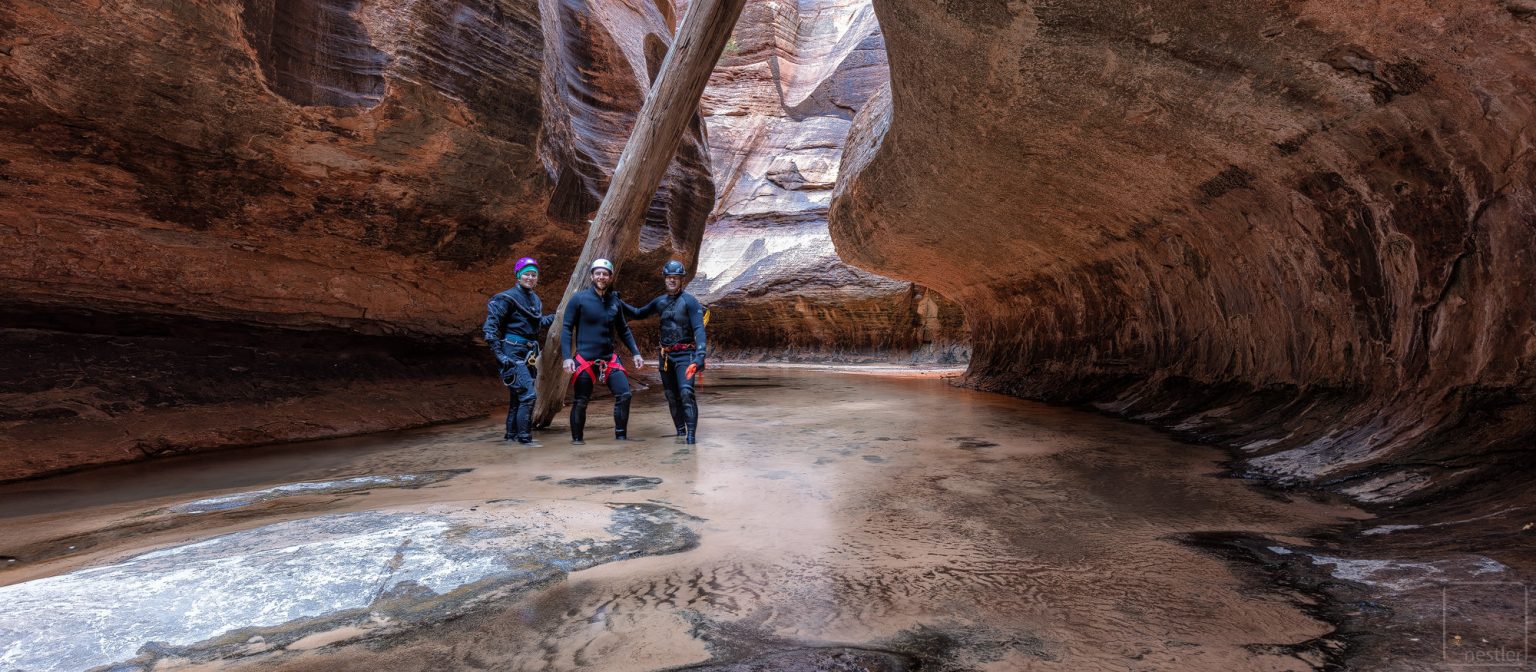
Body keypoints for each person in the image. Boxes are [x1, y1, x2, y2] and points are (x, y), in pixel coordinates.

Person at [623, 260, 707, 444]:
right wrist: (618, 302)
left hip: (687, 355)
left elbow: (699, 329)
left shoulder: (690, 302)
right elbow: (638, 313)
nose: (671, 280)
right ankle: (679, 433)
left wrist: (701, 355)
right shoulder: (659, 302)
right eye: (669, 277)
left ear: (681, 280)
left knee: (686, 392)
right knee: (671, 396)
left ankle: (691, 437)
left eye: (675, 278)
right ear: (665, 279)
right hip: (666, 356)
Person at [561, 258, 645, 444]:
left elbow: (623, 329)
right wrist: (567, 357)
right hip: (585, 360)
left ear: (610, 277)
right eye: (597, 273)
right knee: (581, 401)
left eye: (605, 274)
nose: (601, 277)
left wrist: (636, 352)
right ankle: (577, 441)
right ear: (591, 276)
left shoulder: (615, 301)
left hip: (609, 360)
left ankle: (621, 437)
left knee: (624, 395)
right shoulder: (579, 299)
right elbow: (567, 328)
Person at [483, 256, 556, 446]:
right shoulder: (506, 298)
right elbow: (490, 328)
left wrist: (560, 316)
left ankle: (511, 438)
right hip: (511, 352)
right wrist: (499, 355)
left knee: (518, 399)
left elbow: (536, 324)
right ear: (518, 276)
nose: (530, 278)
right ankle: (525, 439)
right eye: (526, 274)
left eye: (534, 275)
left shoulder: (534, 299)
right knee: (528, 396)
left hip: (529, 353)